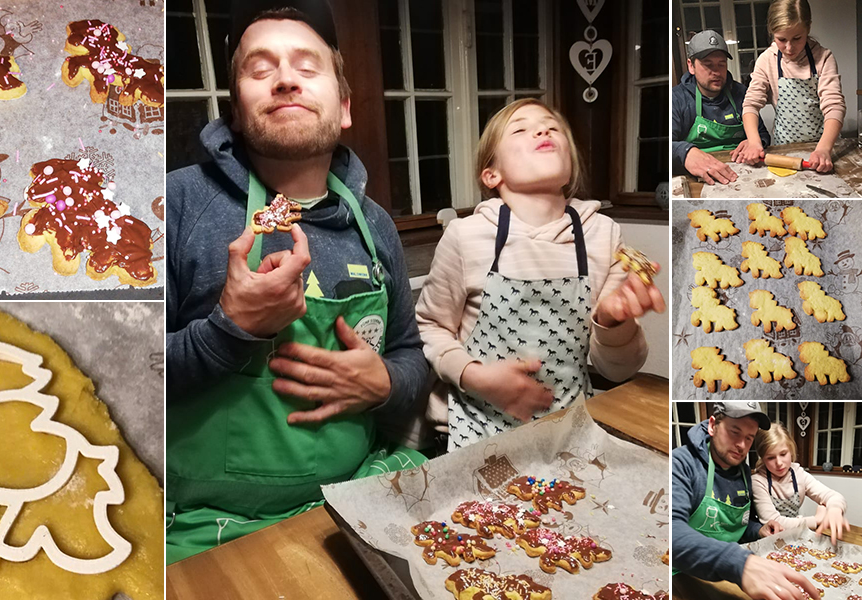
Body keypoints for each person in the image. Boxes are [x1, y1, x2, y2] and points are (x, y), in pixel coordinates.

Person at [164, 0, 427, 563]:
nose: (285, 79)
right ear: (237, 111)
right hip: (206, 529)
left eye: (308, 67)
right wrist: (229, 331)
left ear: (345, 106)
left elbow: (410, 357)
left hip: (357, 499)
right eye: (261, 70)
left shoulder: (373, 222)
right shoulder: (175, 205)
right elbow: (110, 385)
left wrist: (383, 384)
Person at [414, 98, 665, 451]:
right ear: (492, 174)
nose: (542, 129)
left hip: (565, 434)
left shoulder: (602, 235)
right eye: (520, 129)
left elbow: (618, 371)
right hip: (471, 432)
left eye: (552, 126)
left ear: (571, 166)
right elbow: (430, 327)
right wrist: (473, 375)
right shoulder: (465, 237)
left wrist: (614, 322)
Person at [673, 402, 822, 600]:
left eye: (749, 438)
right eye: (735, 432)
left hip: (733, 573)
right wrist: (739, 563)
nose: (742, 445)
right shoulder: (682, 463)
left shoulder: (743, 472)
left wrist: (758, 530)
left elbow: (739, 525)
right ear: (712, 426)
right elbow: (672, 530)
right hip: (685, 574)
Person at [737, 0, 845, 173]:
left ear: (808, 28)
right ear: (772, 33)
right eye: (781, 39)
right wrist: (754, 141)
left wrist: (824, 149)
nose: (789, 48)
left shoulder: (823, 57)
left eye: (797, 38)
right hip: (785, 151)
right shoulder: (767, 60)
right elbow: (751, 104)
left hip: (823, 147)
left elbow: (834, 106)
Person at [672, 30, 771, 186]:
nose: (716, 72)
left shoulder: (741, 93)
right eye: (708, 65)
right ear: (691, 66)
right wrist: (685, 153)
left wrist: (754, 142)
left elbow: (763, 134)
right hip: (699, 179)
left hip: (743, 174)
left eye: (721, 64)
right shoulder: (677, 99)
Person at [751, 423, 850, 544]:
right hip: (770, 542)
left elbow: (832, 496)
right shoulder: (758, 481)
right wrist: (817, 520)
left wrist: (834, 509)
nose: (779, 463)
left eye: (783, 454)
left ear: (791, 451)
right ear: (762, 458)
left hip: (796, 538)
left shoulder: (799, 474)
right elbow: (774, 522)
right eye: (770, 458)